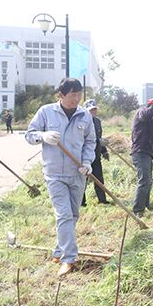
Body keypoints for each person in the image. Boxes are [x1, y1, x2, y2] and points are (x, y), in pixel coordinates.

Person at [25, 78, 96, 276]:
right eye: (72, 95)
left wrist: (87, 162)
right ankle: (68, 258)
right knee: (64, 214)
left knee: (73, 215)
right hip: (54, 174)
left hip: (77, 173)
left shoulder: (84, 115)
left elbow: (90, 141)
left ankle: (58, 251)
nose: (76, 99)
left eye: (79, 95)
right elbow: (29, 134)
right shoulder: (46, 112)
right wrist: (43, 136)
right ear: (61, 95)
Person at [81, 100, 110, 206]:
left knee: (99, 179)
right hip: (84, 156)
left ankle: (102, 200)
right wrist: (98, 141)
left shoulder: (97, 122)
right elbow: (83, 139)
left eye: (94, 109)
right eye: (91, 110)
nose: (93, 111)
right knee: (83, 179)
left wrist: (104, 151)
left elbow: (99, 137)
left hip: (96, 155)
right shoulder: (81, 122)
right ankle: (81, 202)